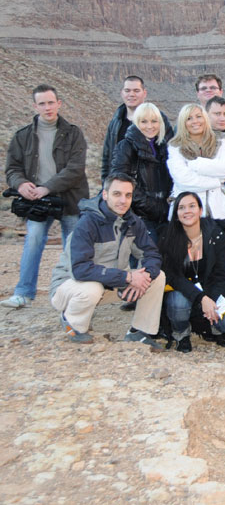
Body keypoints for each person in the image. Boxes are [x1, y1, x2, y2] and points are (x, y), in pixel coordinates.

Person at [48, 174, 164, 347]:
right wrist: (128, 278)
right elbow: (80, 270)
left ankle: (138, 331)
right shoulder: (87, 223)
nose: (123, 200)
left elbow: (151, 254)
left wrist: (144, 275)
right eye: (117, 194)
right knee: (91, 288)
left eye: (128, 195)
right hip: (69, 285)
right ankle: (73, 323)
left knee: (157, 276)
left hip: (110, 283)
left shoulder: (133, 222)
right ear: (105, 194)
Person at [3, 85, 89, 309]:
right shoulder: (22, 136)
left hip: (70, 198)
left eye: (51, 102)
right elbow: (12, 168)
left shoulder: (73, 133)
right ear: (35, 106)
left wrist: (47, 187)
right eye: (42, 103)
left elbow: (76, 168)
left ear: (59, 103)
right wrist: (20, 184)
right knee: (33, 240)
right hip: (37, 201)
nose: (47, 107)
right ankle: (23, 293)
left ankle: (72, 292)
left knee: (72, 245)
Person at [158, 192, 225, 352]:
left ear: (200, 210)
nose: (187, 211)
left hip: (211, 290)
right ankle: (181, 334)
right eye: (181, 208)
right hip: (183, 291)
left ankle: (213, 329)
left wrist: (210, 300)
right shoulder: (168, 238)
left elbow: (222, 276)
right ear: (176, 214)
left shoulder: (216, 235)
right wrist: (201, 298)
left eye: (192, 206)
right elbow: (174, 277)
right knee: (178, 304)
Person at [108, 102, 173, 241]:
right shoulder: (125, 146)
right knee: (145, 258)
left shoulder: (166, 147)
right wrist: (151, 205)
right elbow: (120, 180)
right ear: (136, 122)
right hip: (138, 216)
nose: (150, 126)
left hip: (164, 215)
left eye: (154, 121)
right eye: (144, 121)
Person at [166, 103, 225, 221]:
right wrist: (219, 180)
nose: (195, 121)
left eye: (199, 116)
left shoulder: (221, 139)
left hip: (219, 214)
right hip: (187, 217)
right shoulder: (175, 146)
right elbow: (184, 180)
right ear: (183, 123)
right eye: (189, 118)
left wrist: (196, 165)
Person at [100, 76, 172, 183]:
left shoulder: (158, 119)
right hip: (121, 186)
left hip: (152, 186)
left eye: (136, 91)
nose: (131, 94)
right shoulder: (116, 121)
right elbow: (107, 156)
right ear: (122, 93)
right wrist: (106, 184)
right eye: (127, 90)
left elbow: (169, 152)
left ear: (144, 93)